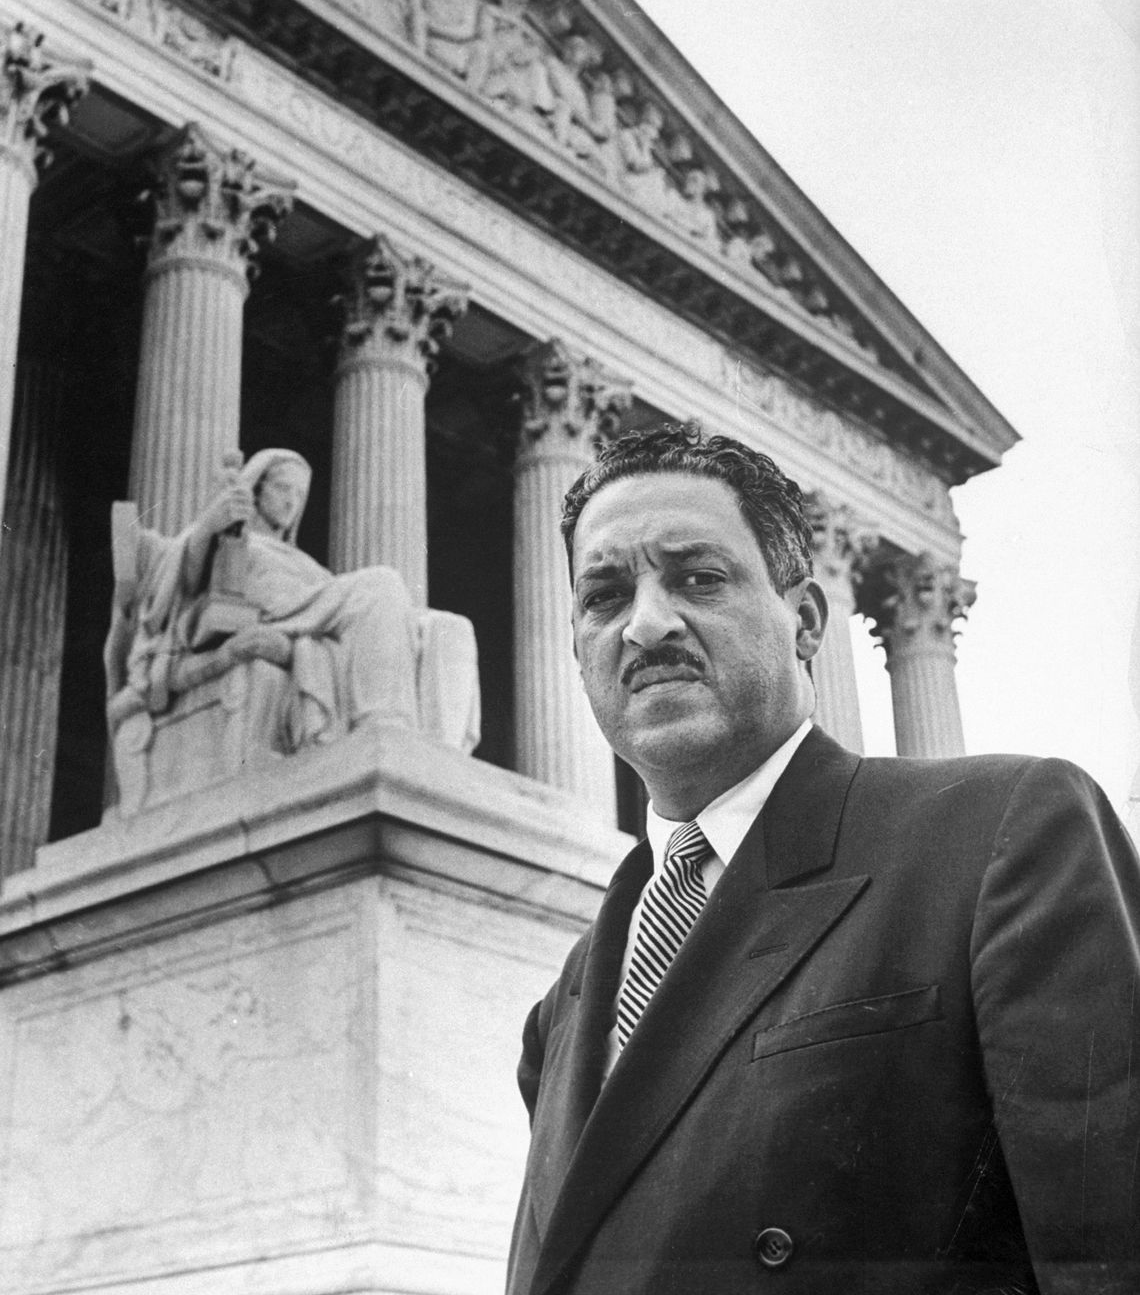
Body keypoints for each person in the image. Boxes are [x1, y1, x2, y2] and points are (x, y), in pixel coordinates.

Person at [507, 422, 1140, 1295]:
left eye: (698, 577)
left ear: (805, 622)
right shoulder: (565, 1004)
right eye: (605, 597)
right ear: (578, 650)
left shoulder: (1003, 836)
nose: (647, 626)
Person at [114, 448, 418, 753]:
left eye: (300, 494)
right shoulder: (226, 536)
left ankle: (417, 744)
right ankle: (381, 724)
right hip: (272, 612)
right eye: (283, 488)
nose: (292, 502)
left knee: (447, 628)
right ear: (257, 489)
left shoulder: (305, 562)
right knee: (383, 583)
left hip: (314, 613)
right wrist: (210, 525)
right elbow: (185, 582)